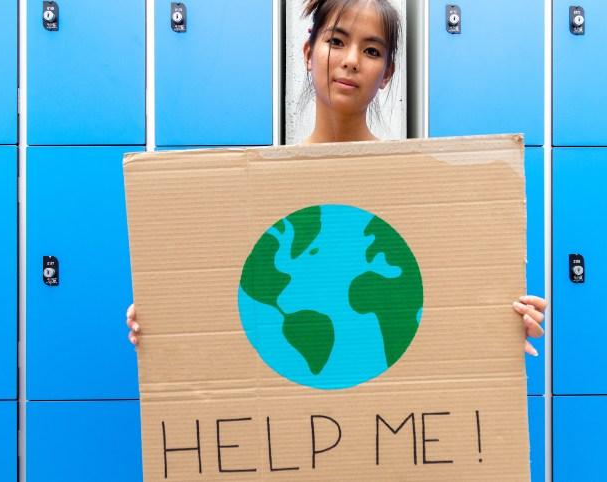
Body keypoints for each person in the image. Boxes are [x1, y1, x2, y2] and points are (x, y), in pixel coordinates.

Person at [126, 0, 546, 356]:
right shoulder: (264, 184)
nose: (350, 60)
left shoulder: (416, 181)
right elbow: (226, 294)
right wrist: (166, 320)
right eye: (337, 41)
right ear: (308, 53)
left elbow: (446, 295)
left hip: (383, 415)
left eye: (371, 50)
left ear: (387, 74)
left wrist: (502, 324)